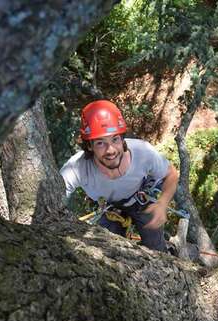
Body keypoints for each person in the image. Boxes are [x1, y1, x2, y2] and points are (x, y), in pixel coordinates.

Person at [60, 100, 179, 252]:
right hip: (110, 208)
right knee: (108, 248)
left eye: (115, 139)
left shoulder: (142, 152)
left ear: (122, 138)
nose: (110, 150)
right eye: (100, 143)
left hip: (141, 199)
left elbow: (171, 174)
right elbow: (55, 195)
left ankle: (167, 249)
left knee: (155, 247)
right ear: (89, 146)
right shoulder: (77, 167)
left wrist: (162, 204)